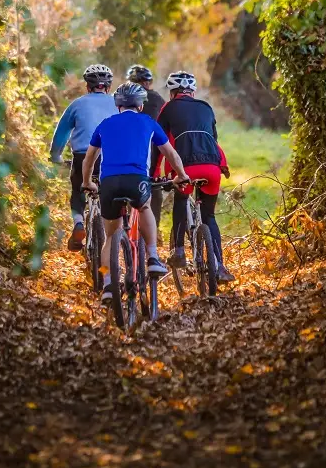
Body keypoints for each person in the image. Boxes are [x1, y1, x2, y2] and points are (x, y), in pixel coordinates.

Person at [81, 81, 190, 305]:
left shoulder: (105, 124)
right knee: (145, 206)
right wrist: (180, 174)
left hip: (109, 183)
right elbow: (170, 152)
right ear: (140, 105)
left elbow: (89, 158)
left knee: (110, 236)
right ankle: (152, 256)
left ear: (118, 105)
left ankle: (109, 284)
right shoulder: (148, 122)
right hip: (137, 179)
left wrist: (86, 182)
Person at [156, 70, 235, 283]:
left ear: (172, 92)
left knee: (181, 200)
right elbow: (214, 139)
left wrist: (155, 176)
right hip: (212, 166)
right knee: (209, 216)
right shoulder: (206, 108)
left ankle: (179, 251)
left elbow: (158, 143)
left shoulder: (168, 107)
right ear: (192, 91)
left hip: (186, 167)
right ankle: (219, 267)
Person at [50, 64, 117, 252]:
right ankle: (116, 228)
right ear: (108, 86)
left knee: (78, 187)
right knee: (110, 191)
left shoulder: (77, 104)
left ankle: (79, 222)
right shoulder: (117, 103)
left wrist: (55, 156)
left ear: (87, 86)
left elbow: (61, 133)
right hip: (111, 157)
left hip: (83, 155)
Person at [126, 64, 166, 232]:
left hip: (128, 152)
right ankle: (153, 230)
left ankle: (126, 226)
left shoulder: (121, 97)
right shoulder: (157, 98)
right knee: (154, 188)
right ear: (147, 83)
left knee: (126, 187)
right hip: (155, 152)